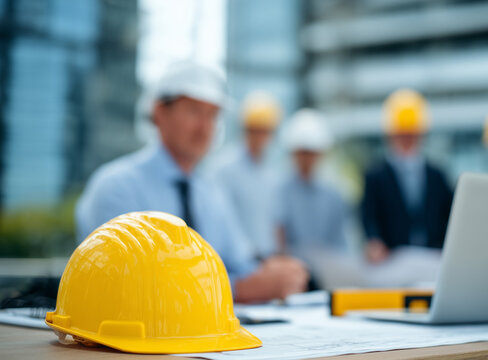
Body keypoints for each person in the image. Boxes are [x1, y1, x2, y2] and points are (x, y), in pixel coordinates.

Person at [75, 61, 308, 303]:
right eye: (194, 111)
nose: (205, 127)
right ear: (159, 112)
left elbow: (241, 265)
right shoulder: (116, 187)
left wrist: (276, 274)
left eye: (212, 115)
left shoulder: (212, 193)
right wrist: (245, 289)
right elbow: (129, 284)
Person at [361, 89, 453, 264]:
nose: (406, 139)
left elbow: (447, 217)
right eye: (401, 134)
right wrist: (374, 242)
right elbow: (369, 216)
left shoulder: (437, 176)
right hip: (392, 262)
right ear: (390, 134)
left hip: (433, 259)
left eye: (410, 133)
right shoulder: (375, 176)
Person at [214, 91, 282, 259]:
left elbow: (273, 222)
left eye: (264, 131)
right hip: (236, 260)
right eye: (254, 130)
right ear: (244, 130)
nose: (259, 137)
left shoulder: (271, 174)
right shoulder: (225, 169)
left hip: (267, 256)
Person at [275, 109, 348, 263]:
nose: (306, 159)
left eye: (311, 153)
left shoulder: (333, 194)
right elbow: (278, 239)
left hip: (328, 270)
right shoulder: (281, 191)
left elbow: (341, 243)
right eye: (302, 152)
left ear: (321, 153)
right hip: (292, 271)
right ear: (293, 153)